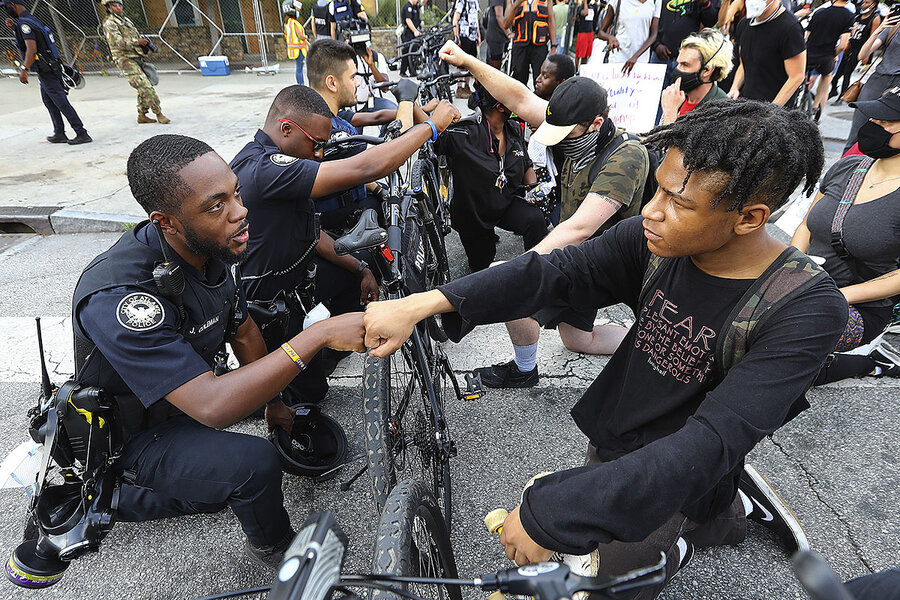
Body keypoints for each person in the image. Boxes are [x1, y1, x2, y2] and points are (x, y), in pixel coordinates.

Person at [362, 98, 848, 600]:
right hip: (623, 429)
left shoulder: (805, 309)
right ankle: (715, 516)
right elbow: (553, 272)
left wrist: (552, 514)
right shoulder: (650, 238)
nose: (651, 212)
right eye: (656, 189)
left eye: (678, 202)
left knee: (610, 579)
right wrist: (427, 302)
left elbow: (709, 443)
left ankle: (708, 523)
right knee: (609, 519)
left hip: (685, 458)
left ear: (750, 217)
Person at [71, 133, 367, 569]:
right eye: (217, 205)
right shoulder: (122, 295)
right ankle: (276, 550)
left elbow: (243, 331)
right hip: (132, 434)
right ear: (166, 222)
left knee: (293, 395)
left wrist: (275, 405)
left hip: (183, 396)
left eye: (237, 194)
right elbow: (211, 406)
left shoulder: (207, 246)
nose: (240, 212)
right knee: (253, 465)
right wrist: (316, 337)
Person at [230, 85, 459, 405]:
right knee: (311, 397)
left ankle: (322, 349)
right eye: (317, 145)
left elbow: (311, 232)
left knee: (360, 268)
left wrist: (362, 268)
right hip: (269, 307)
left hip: (299, 280)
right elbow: (365, 168)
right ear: (285, 129)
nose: (319, 154)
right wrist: (431, 126)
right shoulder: (264, 168)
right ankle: (259, 388)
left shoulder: (274, 161)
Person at [440, 41, 648, 385]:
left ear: (596, 123)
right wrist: (466, 60)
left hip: (607, 261)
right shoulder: (573, 127)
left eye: (564, 135)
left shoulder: (626, 157)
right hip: (585, 252)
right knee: (578, 339)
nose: (555, 141)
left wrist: (518, 270)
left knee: (512, 283)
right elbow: (519, 97)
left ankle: (524, 370)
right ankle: (648, 340)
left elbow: (580, 229)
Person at [792, 89, 900, 383]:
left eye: (887, 121)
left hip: (858, 304)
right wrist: (793, 270)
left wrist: (838, 296)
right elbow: (806, 224)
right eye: (874, 116)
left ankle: (864, 364)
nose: (873, 123)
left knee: (781, 337)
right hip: (807, 285)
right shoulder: (848, 166)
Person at [436, 83, 547, 271]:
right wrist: (419, 109)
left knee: (535, 219)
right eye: (516, 102)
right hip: (474, 213)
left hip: (504, 201)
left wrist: (534, 190)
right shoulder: (463, 133)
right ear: (501, 107)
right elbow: (430, 136)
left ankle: (538, 272)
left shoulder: (514, 128)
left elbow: (526, 163)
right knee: (483, 267)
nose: (522, 105)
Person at [4, 0, 91, 144]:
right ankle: (59, 132)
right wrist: (14, 29)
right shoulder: (30, 20)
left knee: (61, 102)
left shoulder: (24, 24)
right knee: (49, 101)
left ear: (13, 5)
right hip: (49, 67)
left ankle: (81, 133)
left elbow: (31, 49)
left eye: (7, 7)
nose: (6, 10)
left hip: (46, 69)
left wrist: (24, 69)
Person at [101, 0, 169, 125]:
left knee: (142, 86)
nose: (119, 7)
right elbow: (118, 42)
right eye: (115, 5)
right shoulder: (110, 23)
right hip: (124, 59)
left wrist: (144, 44)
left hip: (136, 56)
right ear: (109, 7)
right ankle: (159, 113)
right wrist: (138, 42)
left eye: (120, 5)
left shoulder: (125, 20)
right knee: (145, 86)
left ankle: (142, 115)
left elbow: (133, 36)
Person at [727, 0, 806, 106]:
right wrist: (735, 88)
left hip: (776, 109)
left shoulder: (790, 28)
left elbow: (797, 76)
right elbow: (744, 63)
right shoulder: (744, 24)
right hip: (747, 103)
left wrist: (772, 109)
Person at [530, 53, 576, 225]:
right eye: (540, 73)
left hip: (563, 177)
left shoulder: (571, 109)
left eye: (546, 76)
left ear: (561, 83)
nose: (538, 79)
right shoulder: (534, 100)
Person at [844, 12, 900, 152]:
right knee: (857, 129)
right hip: (878, 79)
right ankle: (844, 166)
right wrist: (879, 29)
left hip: (898, 87)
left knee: (888, 134)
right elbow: (862, 55)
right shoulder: (893, 27)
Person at [659, 28, 733, 125]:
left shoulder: (721, 112)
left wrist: (670, 114)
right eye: (678, 64)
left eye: (685, 65)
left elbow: (672, 140)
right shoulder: (679, 97)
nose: (678, 69)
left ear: (707, 70)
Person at [804, 0, 853, 119]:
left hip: (809, 54)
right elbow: (843, 45)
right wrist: (834, 54)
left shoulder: (819, 12)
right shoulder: (848, 16)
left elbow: (807, 37)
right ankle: (815, 107)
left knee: (800, 77)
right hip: (826, 56)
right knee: (826, 76)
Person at [652, 0, 718, 89]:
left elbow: (710, 22)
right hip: (660, 56)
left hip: (686, 59)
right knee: (654, 98)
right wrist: (656, 45)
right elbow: (648, 19)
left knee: (681, 97)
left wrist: (705, 3)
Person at [831, 0, 881, 104]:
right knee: (837, 73)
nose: (864, 5)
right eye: (863, 2)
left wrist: (867, 55)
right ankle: (833, 90)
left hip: (860, 49)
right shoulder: (858, 16)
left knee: (847, 73)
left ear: (873, 4)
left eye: (867, 2)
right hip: (850, 46)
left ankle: (842, 96)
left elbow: (873, 37)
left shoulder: (875, 18)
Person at [597, 0, 661, 74]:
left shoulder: (656, 1)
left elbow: (653, 35)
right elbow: (600, 32)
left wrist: (635, 57)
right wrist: (610, 38)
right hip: (618, 57)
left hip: (641, 59)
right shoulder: (617, 1)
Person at [507, 0, 557, 86]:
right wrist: (515, 5)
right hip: (520, 46)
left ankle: (538, 99)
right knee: (519, 79)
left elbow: (550, 20)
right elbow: (506, 23)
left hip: (539, 47)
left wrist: (553, 46)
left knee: (540, 80)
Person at [452, 0, 480, 98]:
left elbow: (475, 19)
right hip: (464, 35)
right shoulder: (461, 1)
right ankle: (459, 88)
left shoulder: (475, 1)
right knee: (461, 64)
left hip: (472, 36)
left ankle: (467, 86)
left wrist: (478, 35)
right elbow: (455, 19)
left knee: (470, 63)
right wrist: (457, 36)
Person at [282, 0, 310, 85]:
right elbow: (301, 36)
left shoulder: (287, 22)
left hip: (294, 50)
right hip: (299, 50)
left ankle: (300, 84)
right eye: (297, 9)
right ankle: (301, 84)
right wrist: (306, 37)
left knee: (298, 68)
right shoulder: (294, 23)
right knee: (299, 69)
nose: (298, 11)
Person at [485, 0, 511, 68]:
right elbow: (499, 16)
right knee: (495, 68)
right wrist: (508, 33)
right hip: (496, 36)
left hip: (504, 36)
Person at [573, 0, 598, 70]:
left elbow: (593, 20)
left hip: (589, 33)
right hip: (582, 33)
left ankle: (583, 69)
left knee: (586, 54)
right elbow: (585, 13)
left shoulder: (592, 7)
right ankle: (576, 69)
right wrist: (584, 3)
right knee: (579, 54)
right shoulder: (580, 8)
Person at [400, 0, 422, 77]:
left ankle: (412, 71)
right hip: (407, 34)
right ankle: (403, 71)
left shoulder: (415, 7)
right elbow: (408, 20)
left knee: (413, 51)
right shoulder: (408, 7)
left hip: (412, 34)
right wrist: (415, 31)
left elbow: (422, 4)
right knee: (407, 51)